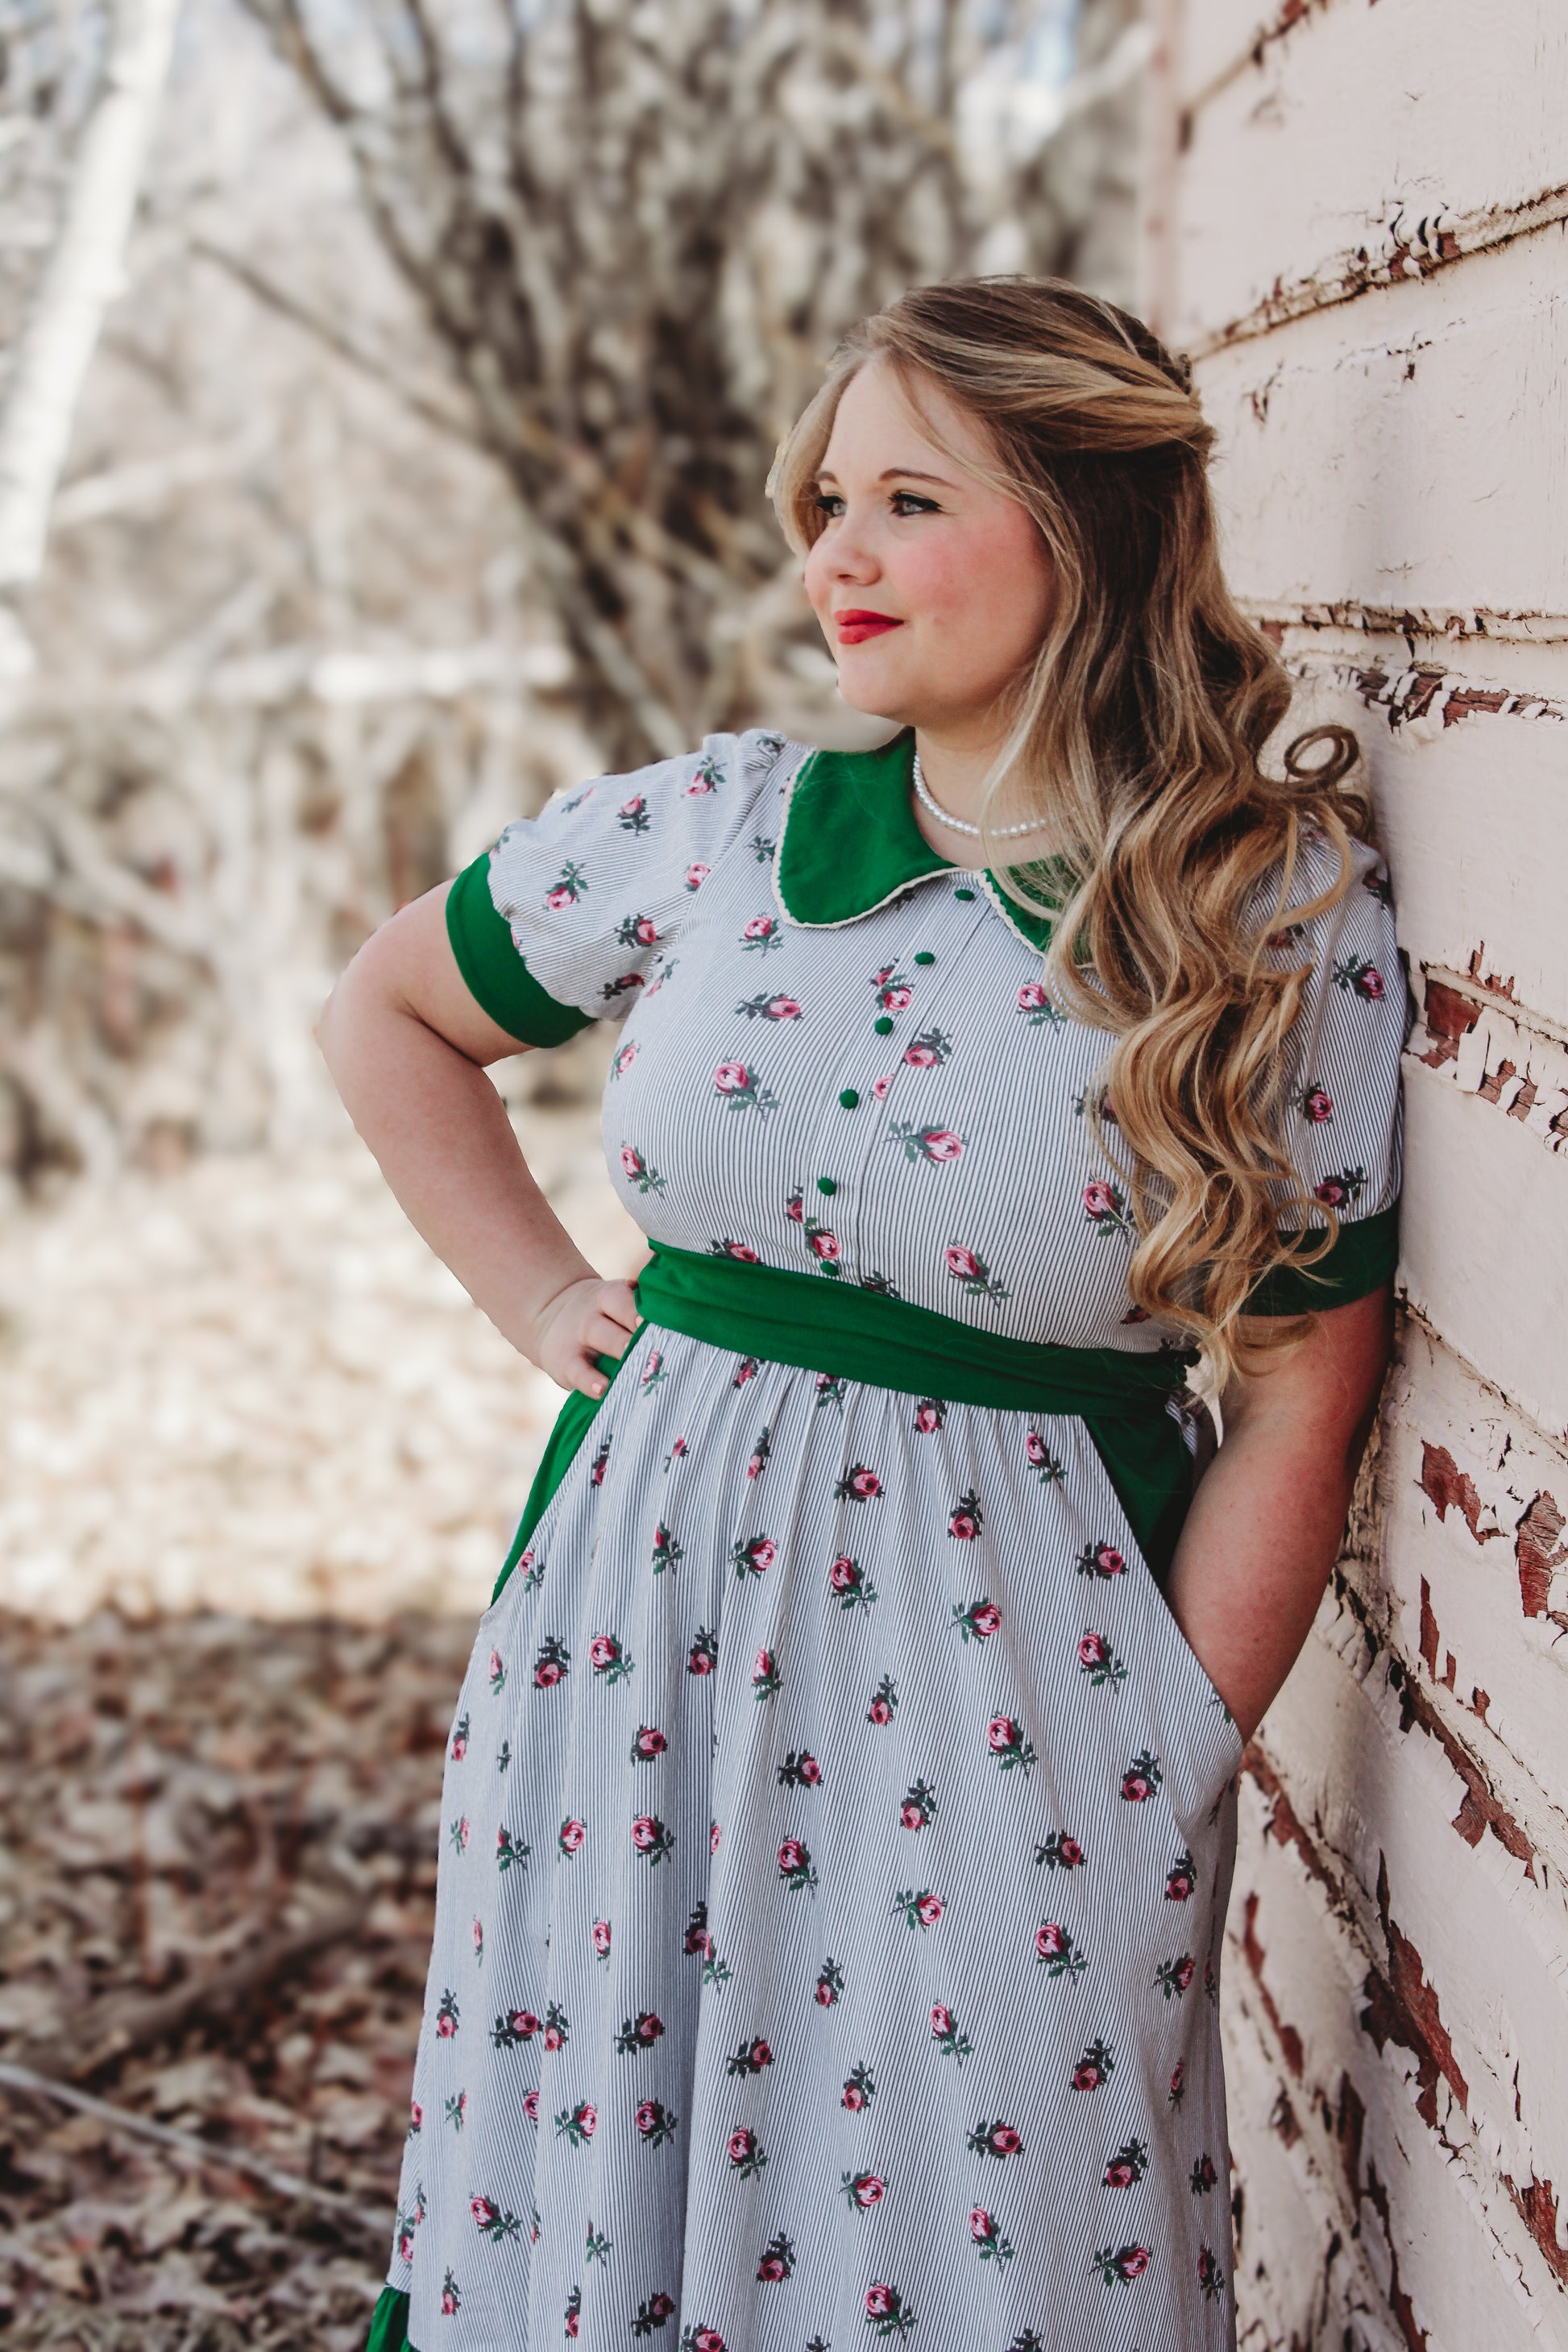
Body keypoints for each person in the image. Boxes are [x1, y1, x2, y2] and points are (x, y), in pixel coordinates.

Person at [319, 276, 1405, 2352]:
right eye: (828, 498)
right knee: (598, 2187)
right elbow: (391, 1010)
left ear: (1086, 522)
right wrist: (542, 1290)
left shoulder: (1262, 912)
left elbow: (1301, 1383)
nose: (837, 553)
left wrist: (1169, 1742)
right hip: (637, 1642)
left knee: (975, 2239)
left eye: (911, 498)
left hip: (1014, 1683)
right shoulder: (719, 829)